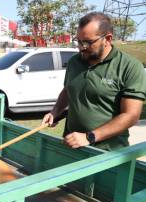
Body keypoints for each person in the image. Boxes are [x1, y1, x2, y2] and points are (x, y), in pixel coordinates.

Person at [42, 12, 146, 151]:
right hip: (72, 145)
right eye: (78, 41)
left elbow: (131, 115)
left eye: (87, 42)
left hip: (108, 152)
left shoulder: (129, 66)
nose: (81, 47)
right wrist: (55, 112)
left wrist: (89, 137)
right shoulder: (74, 61)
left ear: (107, 39)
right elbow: (68, 90)